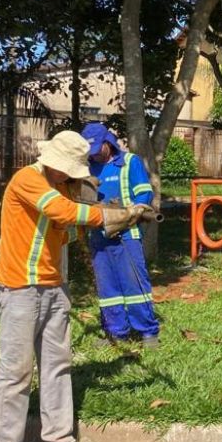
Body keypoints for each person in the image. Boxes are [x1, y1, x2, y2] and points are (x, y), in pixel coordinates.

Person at [0, 130, 147, 442]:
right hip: (20, 286)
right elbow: (63, 213)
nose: (70, 176)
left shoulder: (62, 186)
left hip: (53, 286)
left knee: (57, 364)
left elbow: (67, 224)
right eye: (68, 170)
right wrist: (112, 215)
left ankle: (59, 441)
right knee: (15, 371)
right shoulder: (27, 180)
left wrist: (107, 213)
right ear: (51, 161)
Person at [80, 123, 160, 349]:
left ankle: (148, 332)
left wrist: (132, 211)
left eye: (97, 149)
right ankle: (116, 332)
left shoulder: (128, 163)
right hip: (98, 234)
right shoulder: (87, 168)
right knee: (108, 288)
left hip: (126, 234)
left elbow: (144, 193)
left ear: (108, 143)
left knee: (134, 283)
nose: (94, 154)